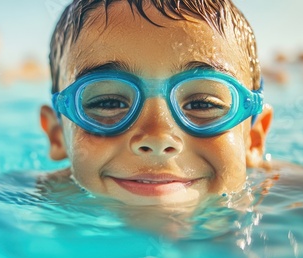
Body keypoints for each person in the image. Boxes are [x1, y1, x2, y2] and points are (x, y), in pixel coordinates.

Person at [39, 0, 275, 207]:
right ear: (57, 134)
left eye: (202, 105)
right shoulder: (20, 208)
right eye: (109, 103)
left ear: (254, 139)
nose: (158, 138)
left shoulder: (297, 203)